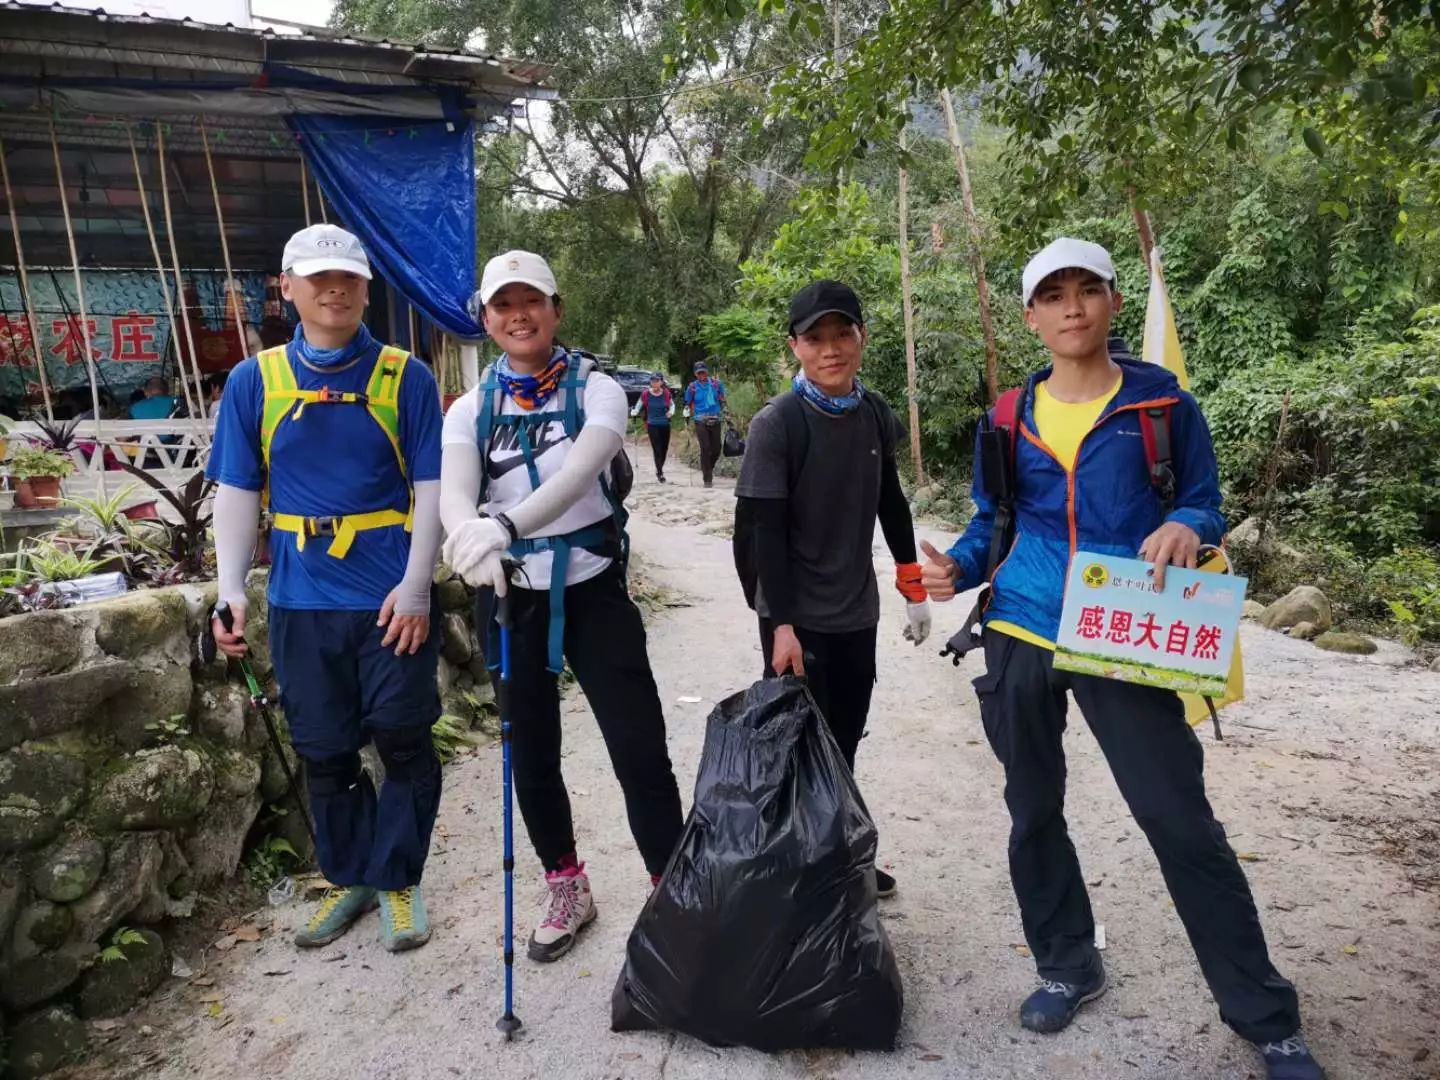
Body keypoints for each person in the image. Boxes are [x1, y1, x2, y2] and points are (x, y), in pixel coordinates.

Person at [920, 238, 1322, 1080]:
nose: (1073, 307)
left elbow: (1204, 501)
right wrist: (957, 566)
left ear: (1110, 301)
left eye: (1088, 290)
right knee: (1033, 810)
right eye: (1054, 295)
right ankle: (1068, 965)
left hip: (1121, 625)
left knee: (1178, 821)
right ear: (1030, 316)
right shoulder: (1006, 415)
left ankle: (1265, 1017)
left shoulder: (1162, 406)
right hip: (1023, 623)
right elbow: (993, 517)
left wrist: (1190, 526)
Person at [440, 250, 684, 963]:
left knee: (639, 747)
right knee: (533, 754)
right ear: (486, 319)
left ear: (556, 308)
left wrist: (507, 526)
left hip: (593, 589)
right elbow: (456, 485)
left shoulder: (599, 390)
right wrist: (469, 538)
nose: (518, 316)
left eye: (532, 302)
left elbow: (584, 469)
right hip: (509, 596)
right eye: (503, 305)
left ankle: (671, 885)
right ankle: (566, 883)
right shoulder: (471, 406)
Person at [207, 223, 445, 953]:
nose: (334, 289)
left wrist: (417, 587)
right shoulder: (257, 380)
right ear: (288, 288)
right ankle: (351, 878)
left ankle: (399, 880)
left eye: (348, 278)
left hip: (386, 600)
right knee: (324, 749)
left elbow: (432, 488)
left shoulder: (406, 376)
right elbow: (239, 490)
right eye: (317, 278)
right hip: (301, 602)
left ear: (367, 289)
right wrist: (231, 589)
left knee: (403, 740)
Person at [735, 279, 932, 898]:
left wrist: (912, 584)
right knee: (795, 746)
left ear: (862, 338)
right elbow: (763, 533)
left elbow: (890, 502)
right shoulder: (779, 423)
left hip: (856, 611)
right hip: (796, 617)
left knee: (844, 739)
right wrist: (781, 625)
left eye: (842, 333)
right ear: (794, 346)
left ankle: (839, 856)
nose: (830, 349)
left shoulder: (875, 413)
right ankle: (795, 872)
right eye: (815, 338)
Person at [683, 360, 726, 487]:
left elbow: (722, 400)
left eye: (703, 372)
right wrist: (686, 411)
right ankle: (707, 478)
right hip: (700, 419)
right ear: (696, 374)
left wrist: (727, 414)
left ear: (707, 372)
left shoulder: (717, 384)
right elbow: (687, 402)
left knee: (717, 448)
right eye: (699, 373)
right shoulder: (692, 387)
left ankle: (708, 467)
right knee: (705, 448)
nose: (702, 375)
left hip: (716, 418)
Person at [630, 373, 674, 482]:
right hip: (652, 424)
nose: (654, 383)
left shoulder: (666, 393)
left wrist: (671, 412)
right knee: (657, 448)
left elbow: (672, 405)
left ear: (661, 382)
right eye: (653, 381)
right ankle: (660, 473)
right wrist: (635, 411)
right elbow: (638, 405)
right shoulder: (646, 394)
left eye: (657, 381)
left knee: (664, 449)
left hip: (665, 424)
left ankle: (659, 468)